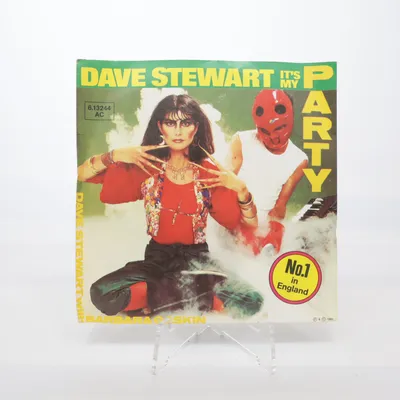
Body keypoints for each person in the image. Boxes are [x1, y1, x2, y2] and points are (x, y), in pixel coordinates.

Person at [78, 94, 263, 319]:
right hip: (157, 261)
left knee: (251, 300)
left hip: (198, 262)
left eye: (186, 123)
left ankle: (159, 300)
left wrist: (242, 190)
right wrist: (113, 155)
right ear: (160, 127)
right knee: (102, 293)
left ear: (196, 128)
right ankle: (195, 297)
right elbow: (82, 174)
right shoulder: (146, 166)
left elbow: (247, 228)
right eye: (170, 122)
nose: (178, 131)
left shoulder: (209, 173)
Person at [226, 89, 309, 255]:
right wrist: (238, 228)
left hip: (262, 230)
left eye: (278, 129)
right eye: (264, 131)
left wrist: (273, 233)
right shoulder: (241, 140)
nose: (273, 138)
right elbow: (225, 188)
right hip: (232, 222)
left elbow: (279, 207)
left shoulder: (299, 159)